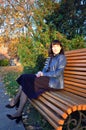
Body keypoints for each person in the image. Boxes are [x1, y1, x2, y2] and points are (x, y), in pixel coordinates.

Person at [6, 40, 66, 123]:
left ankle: (16, 102)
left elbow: (58, 73)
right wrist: (39, 73)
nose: (55, 48)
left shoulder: (61, 57)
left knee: (26, 80)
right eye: (53, 46)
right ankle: (18, 111)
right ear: (51, 48)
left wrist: (43, 74)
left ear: (60, 47)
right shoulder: (50, 58)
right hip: (45, 79)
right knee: (25, 79)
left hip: (54, 82)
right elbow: (44, 69)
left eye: (57, 46)